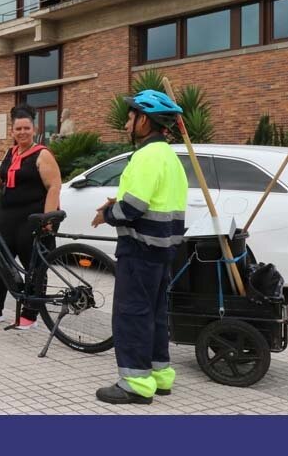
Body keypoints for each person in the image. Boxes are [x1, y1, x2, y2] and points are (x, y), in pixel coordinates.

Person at [91, 89, 188, 404]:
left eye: (131, 118)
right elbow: (154, 200)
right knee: (156, 314)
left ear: (144, 120)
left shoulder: (146, 156)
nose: (127, 125)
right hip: (164, 250)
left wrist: (107, 213)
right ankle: (159, 377)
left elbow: (131, 209)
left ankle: (135, 384)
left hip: (140, 249)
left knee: (132, 314)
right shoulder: (170, 157)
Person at [0, 104, 62, 329]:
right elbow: (2, 183)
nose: (22, 132)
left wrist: (48, 219)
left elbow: (54, 186)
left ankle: (30, 314)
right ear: (12, 131)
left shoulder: (42, 154)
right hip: (8, 217)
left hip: (33, 219)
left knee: (34, 267)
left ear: (34, 129)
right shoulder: (10, 153)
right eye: (18, 129)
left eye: (26, 128)